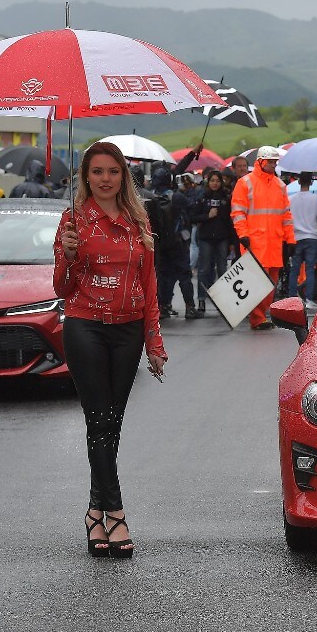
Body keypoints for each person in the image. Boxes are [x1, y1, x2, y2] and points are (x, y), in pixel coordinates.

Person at [54, 141, 165, 560]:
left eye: (112, 172)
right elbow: (61, 289)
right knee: (99, 420)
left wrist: (154, 341)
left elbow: (149, 286)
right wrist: (67, 256)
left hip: (128, 331)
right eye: (97, 172)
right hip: (85, 328)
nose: (105, 179)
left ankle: (93, 511)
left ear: (123, 176)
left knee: (111, 425)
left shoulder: (139, 221)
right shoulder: (74, 220)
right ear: (85, 177)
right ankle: (115, 514)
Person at [231, 146, 295, 330]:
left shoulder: (280, 185)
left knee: (271, 282)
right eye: (271, 161)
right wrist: (243, 234)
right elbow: (238, 212)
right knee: (257, 282)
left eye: (275, 161)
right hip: (254, 242)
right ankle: (257, 318)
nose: (274, 165)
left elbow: (286, 215)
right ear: (260, 161)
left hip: (273, 242)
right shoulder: (245, 183)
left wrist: (291, 239)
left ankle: (260, 315)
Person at [147, 167, 199, 320]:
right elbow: (192, 206)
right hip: (177, 242)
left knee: (163, 276)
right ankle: (190, 307)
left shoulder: (149, 197)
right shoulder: (176, 197)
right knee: (184, 275)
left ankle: (163, 306)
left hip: (159, 244)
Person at [190, 169, 235, 315]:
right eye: (212, 180)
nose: (215, 183)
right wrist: (207, 216)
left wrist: (232, 241)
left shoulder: (226, 198)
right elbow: (193, 217)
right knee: (204, 270)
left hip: (222, 238)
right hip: (206, 238)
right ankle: (201, 300)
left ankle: (223, 301)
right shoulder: (201, 197)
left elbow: (230, 221)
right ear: (208, 182)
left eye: (217, 181)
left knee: (222, 270)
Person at [287, 172, 317, 303]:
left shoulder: (291, 199)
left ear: (298, 182)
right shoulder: (315, 198)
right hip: (311, 237)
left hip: (296, 237)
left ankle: (292, 297)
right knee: (310, 269)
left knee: (295, 270)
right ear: (311, 182)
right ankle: (309, 299)